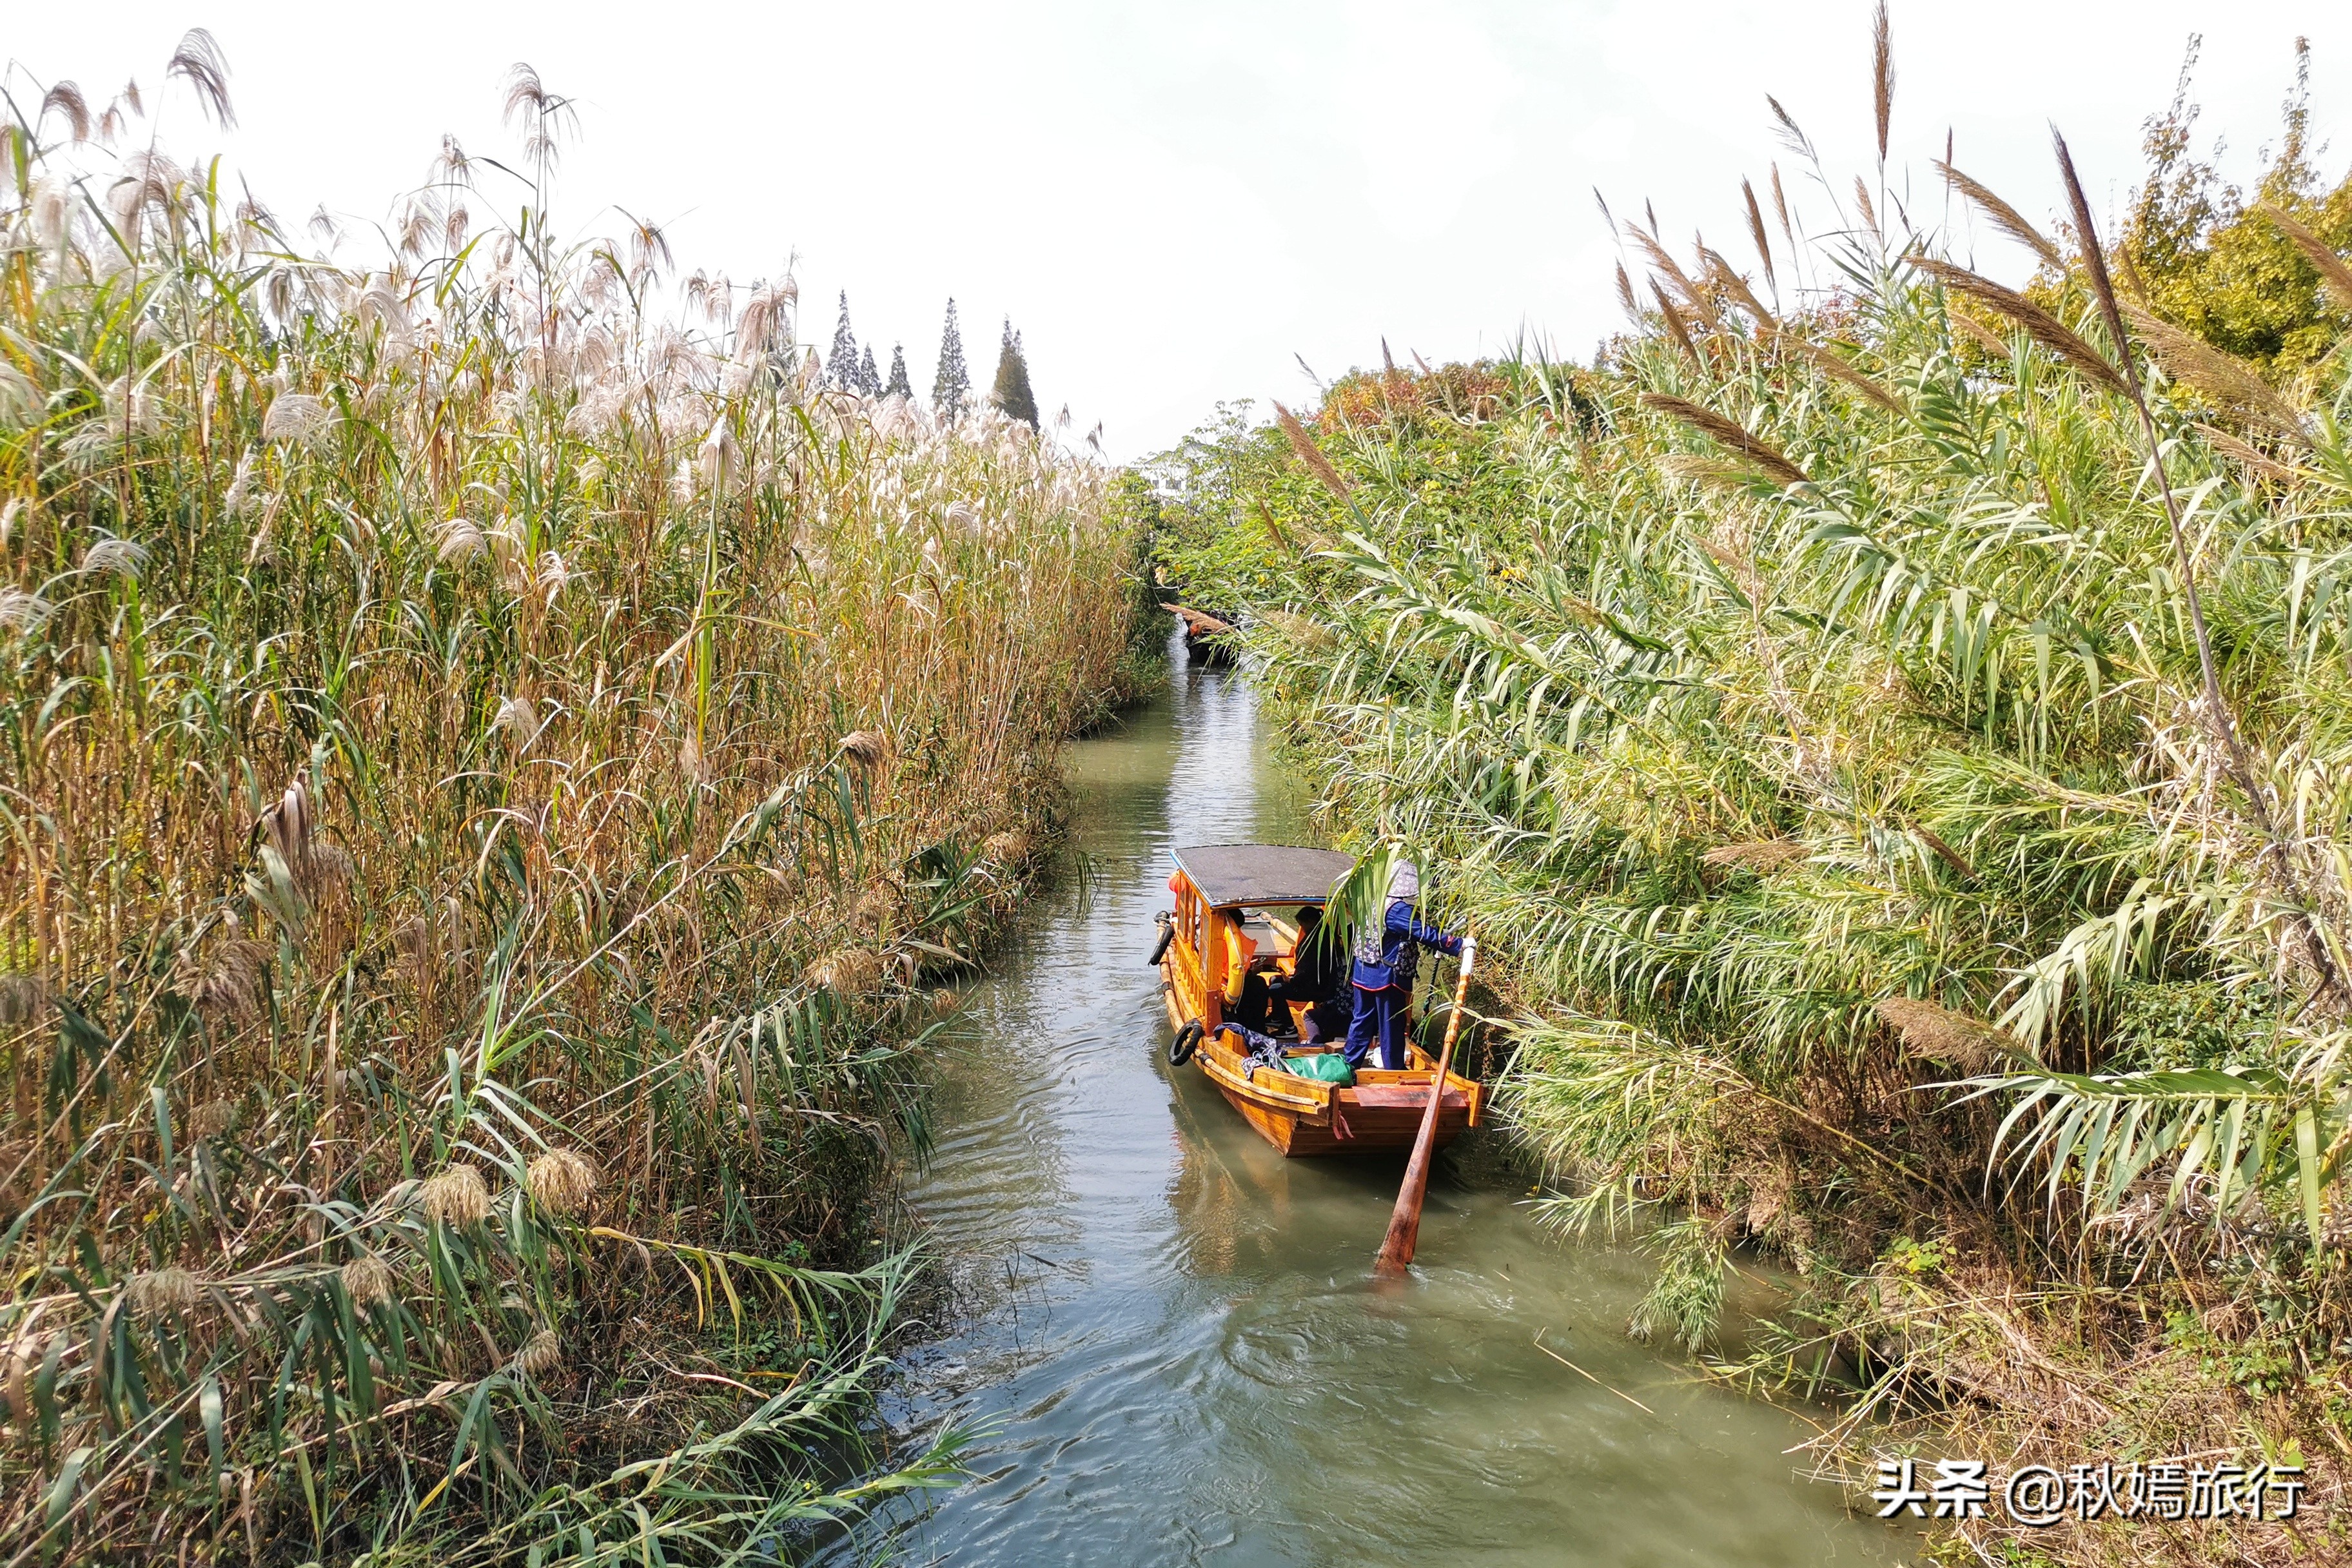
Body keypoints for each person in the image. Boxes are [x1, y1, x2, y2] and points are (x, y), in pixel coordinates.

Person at [1343, 861, 1467, 1072]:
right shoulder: (1396, 909)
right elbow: (1422, 933)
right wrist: (1458, 944)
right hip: (1385, 975)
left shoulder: (1375, 901)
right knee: (1392, 1024)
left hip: (1363, 971)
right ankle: (1394, 1071)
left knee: (1361, 1020)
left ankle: (1349, 1064)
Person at [1269, 905, 1348, 1043]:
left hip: (1319, 988)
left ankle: (1289, 1028)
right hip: (1315, 982)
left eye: (1303, 925)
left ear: (1311, 922)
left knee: (1276, 990)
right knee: (1275, 979)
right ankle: (1277, 1018)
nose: (1303, 929)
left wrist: (1292, 981)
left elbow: (1309, 971)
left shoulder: (1318, 942)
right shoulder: (1321, 934)